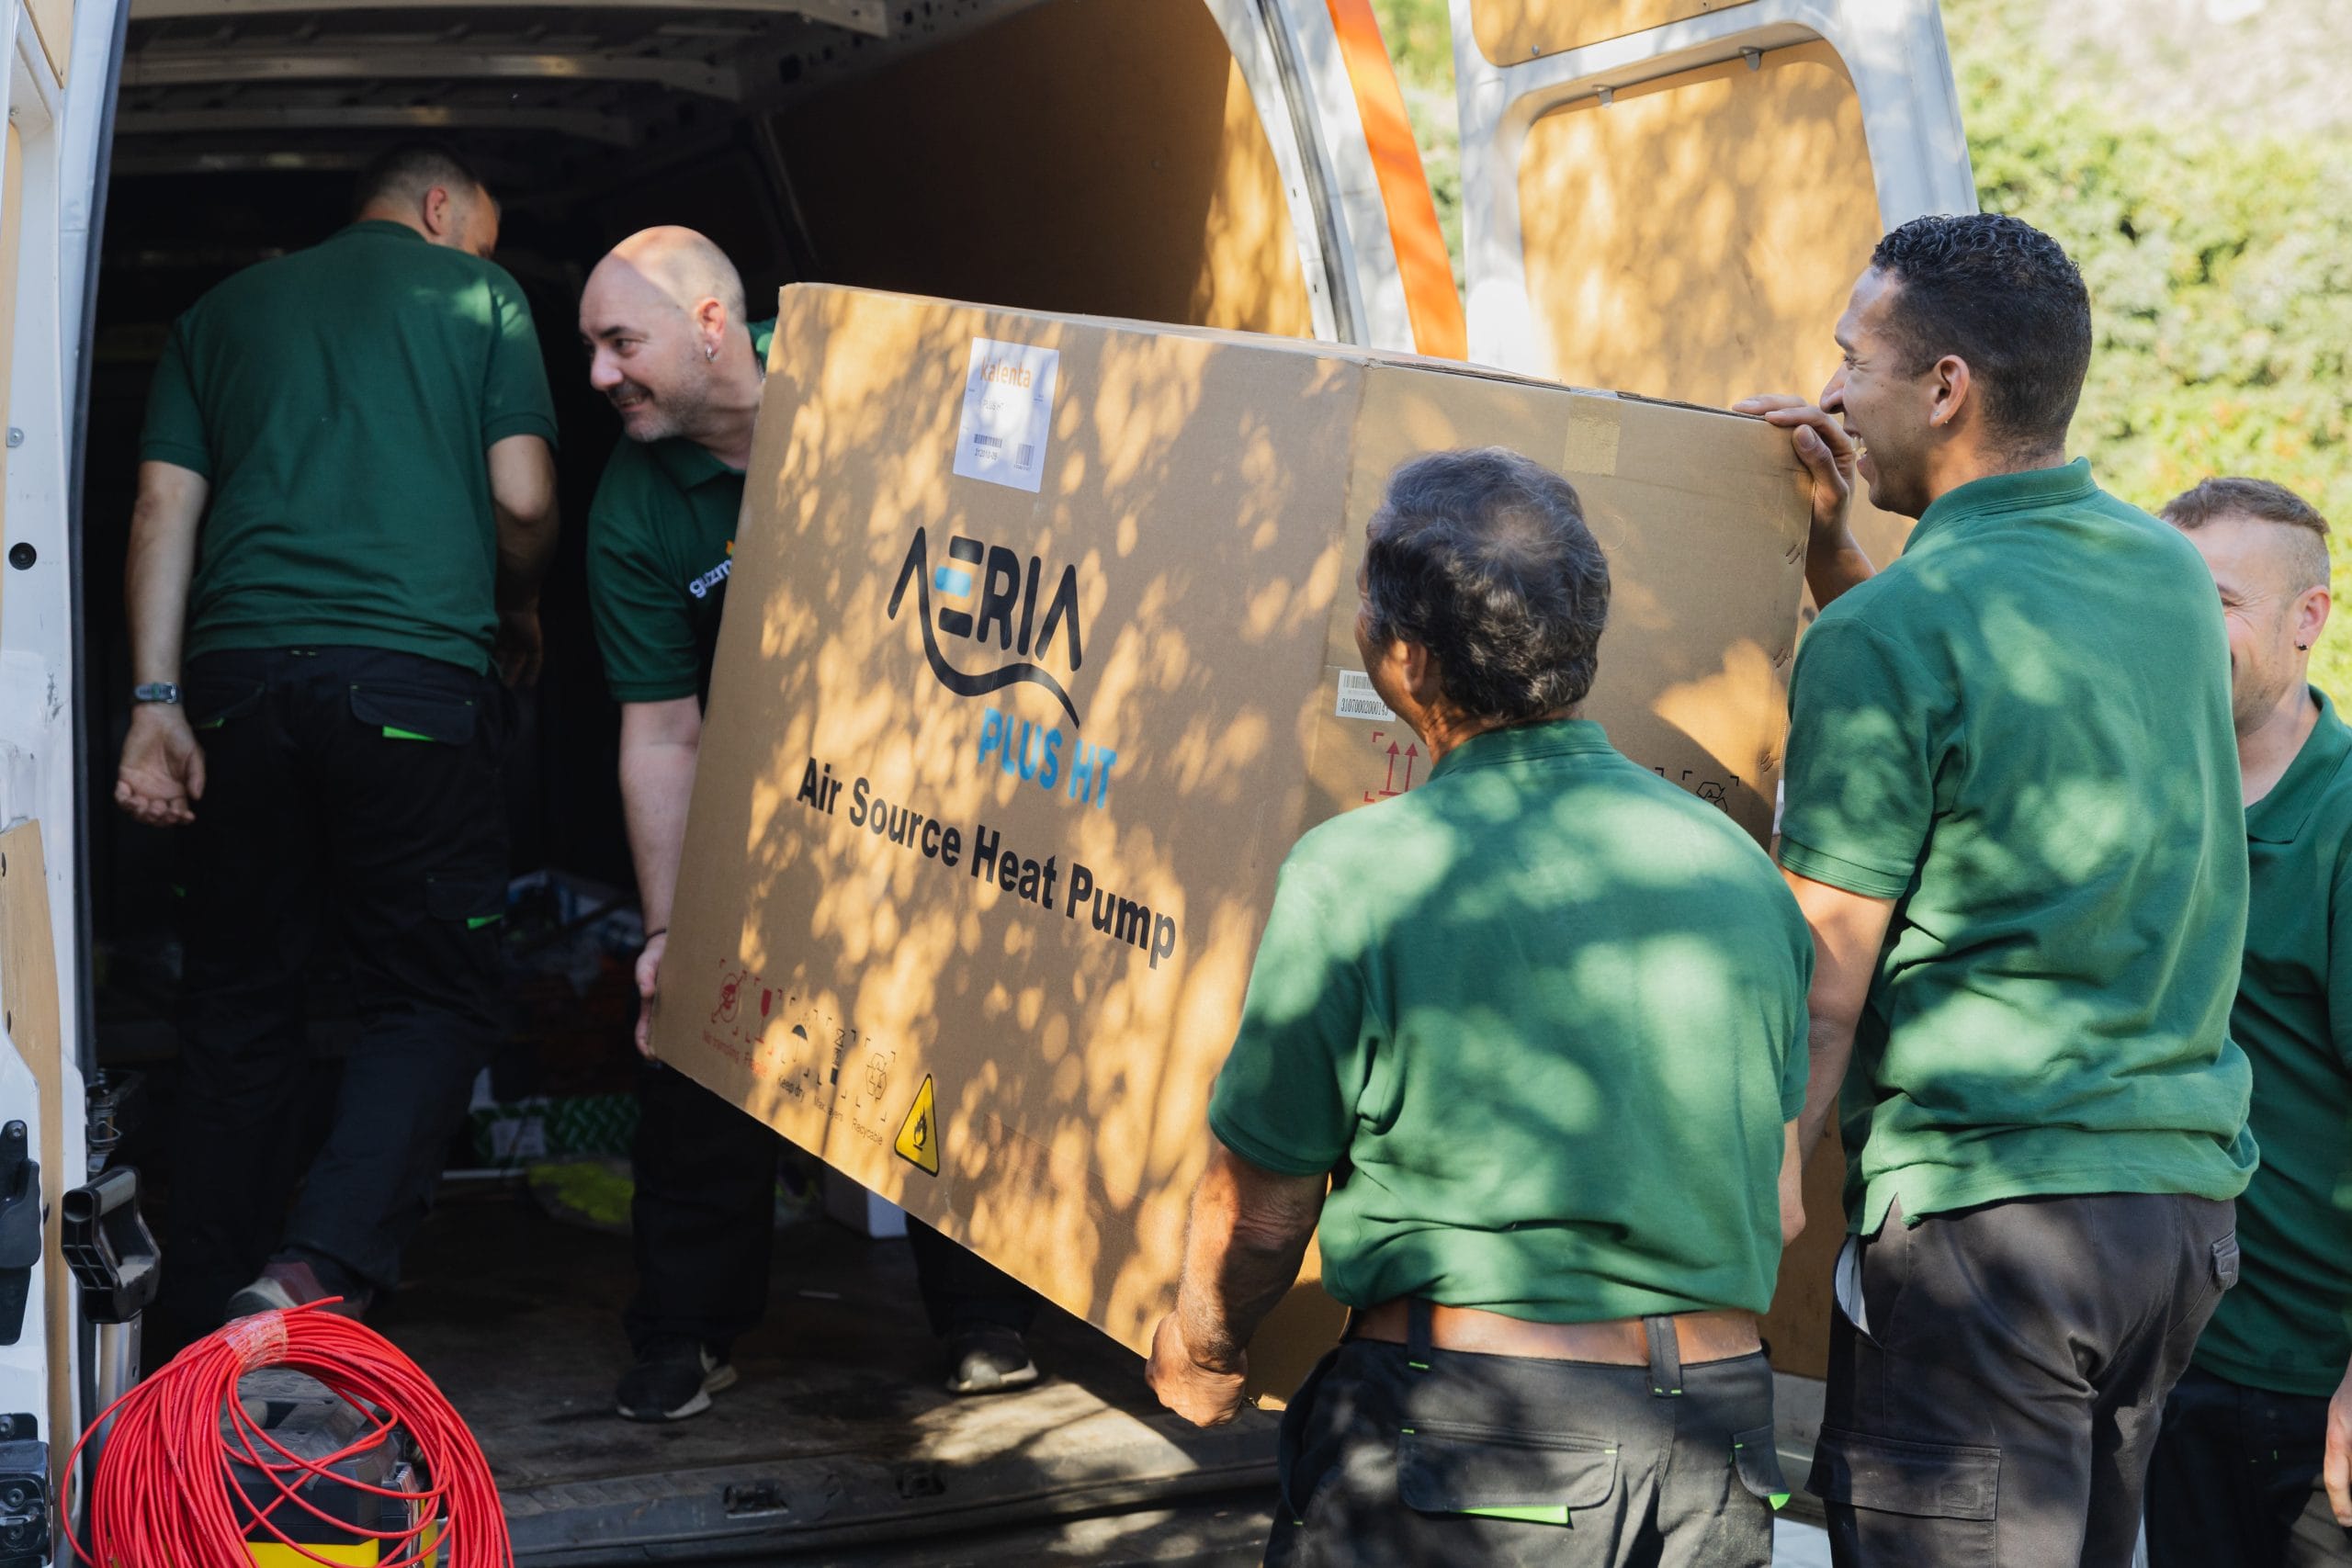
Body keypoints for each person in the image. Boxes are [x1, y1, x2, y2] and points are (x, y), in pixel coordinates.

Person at [1146, 446, 1813, 1567]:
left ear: (1404, 657)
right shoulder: (1737, 869)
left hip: (1474, 1441)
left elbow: (1261, 1213)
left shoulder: (1363, 870)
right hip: (1714, 1448)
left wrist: (1205, 1349)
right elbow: (1781, 1206)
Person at [1736, 211, 2255, 1567]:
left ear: (1946, 387)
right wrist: (1835, 558)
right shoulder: (2164, 572)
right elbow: (1992, 711)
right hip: (2171, 1222)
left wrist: (1749, 1200)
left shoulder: (1891, 632)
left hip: (1993, 1231)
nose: (1835, 392)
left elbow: (1824, 984)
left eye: (1855, 360)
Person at [578, 228, 1044, 1422]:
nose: (599, 375)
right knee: (700, 1027)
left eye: (619, 343)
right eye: (594, 349)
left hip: (929, 783)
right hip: (762, 808)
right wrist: (668, 928)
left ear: (711, 326)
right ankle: (686, 1331)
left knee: (946, 1031)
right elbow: (662, 732)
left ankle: (985, 1314)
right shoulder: (635, 504)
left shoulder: (871, 366)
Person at [117, 143, 560, 1339]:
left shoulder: (218, 314)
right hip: (411, 682)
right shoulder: (480, 295)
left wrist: (155, 698)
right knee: (434, 993)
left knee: (238, 1000)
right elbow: (523, 496)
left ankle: (198, 1328)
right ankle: (317, 1264)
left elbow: (161, 507)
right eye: (482, 233)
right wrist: (519, 604)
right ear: (440, 207)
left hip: (236, 690)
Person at [2143, 478, 2347, 1568]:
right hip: (2177, 1357)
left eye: (2218, 601)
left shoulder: (2341, 825)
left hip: (2313, 1387)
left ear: (2306, 618)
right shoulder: (2145, 784)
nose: (2182, 626)